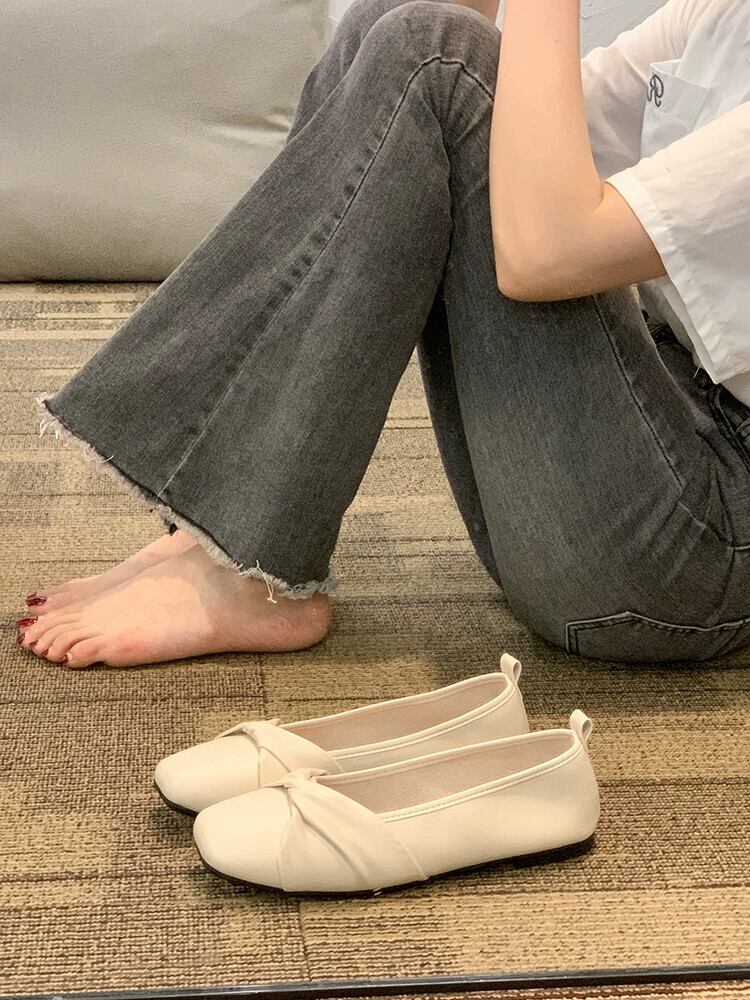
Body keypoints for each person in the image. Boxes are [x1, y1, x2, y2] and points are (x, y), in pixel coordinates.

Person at [16, 0, 750, 669]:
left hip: (695, 557)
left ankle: (248, 571)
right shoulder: (718, 19)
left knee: (437, 53)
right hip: (651, 439)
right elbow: (503, 127)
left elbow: (545, 248)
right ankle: (222, 535)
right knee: (393, 26)